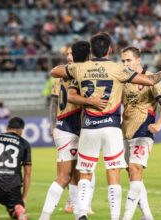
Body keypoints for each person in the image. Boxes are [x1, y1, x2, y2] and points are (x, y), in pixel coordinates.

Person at [51, 32, 161, 220]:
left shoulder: (80, 68)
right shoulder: (117, 69)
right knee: (113, 172)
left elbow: (55, 71)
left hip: (89, 126)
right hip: (112, 127)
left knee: (85, 172)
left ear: (91, 50)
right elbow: (148, 80)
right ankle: (116, 217)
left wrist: (85, 91)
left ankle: (81, 212)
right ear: (110, 49)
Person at [39, 41, 105, 220]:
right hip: (69, 126)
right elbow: (65, 98)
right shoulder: (79, 72)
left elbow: (54, 74)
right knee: (64, 176)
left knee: (78, 174)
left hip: (74, 127)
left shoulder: (66, 71)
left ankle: (79, 214)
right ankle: (44, 217)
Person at [121, 46, 161, 220]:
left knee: (135, 169)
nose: (125, 63)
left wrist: (158, 124)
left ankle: (126, 216)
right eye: (123, 60)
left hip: (144, 129)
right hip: (125, 131)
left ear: (138, 60)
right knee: (132, 174)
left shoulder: (152, 79)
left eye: (128, 60)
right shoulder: (123, 79)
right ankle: (147, 215)